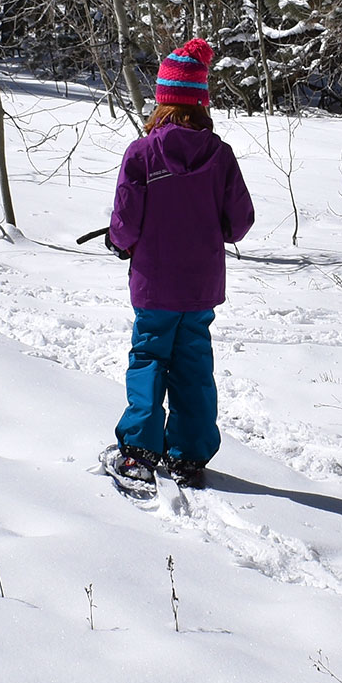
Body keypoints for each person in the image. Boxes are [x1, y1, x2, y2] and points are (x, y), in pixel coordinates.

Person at [106, 39, 254, 491]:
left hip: (155, 286)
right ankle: (188, 455)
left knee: (150, 358)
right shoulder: (221, 155)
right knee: (193, 365)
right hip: (200, 286)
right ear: (200, 103)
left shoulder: (142, 153)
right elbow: (240, 222)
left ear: (163, 101)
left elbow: (126, 225)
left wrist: (118, 242)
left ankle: (139, 453)